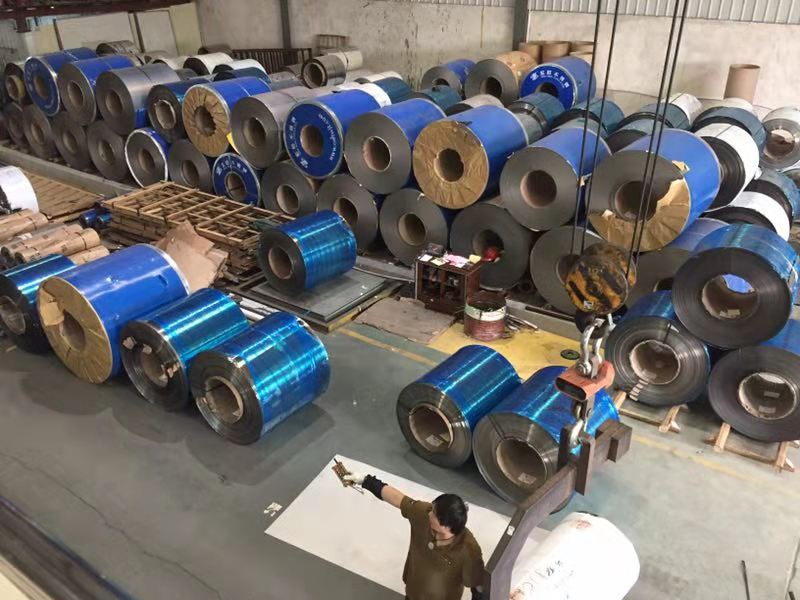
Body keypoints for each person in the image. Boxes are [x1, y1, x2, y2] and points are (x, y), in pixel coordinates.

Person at [344, 470, 485, 600]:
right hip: (413, 594)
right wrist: (366, 480)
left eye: (434, 513)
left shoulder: (469, 550)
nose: (429, 513)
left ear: (446, 526)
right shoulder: (423, 514)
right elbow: (398, 499)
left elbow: (478, 587)